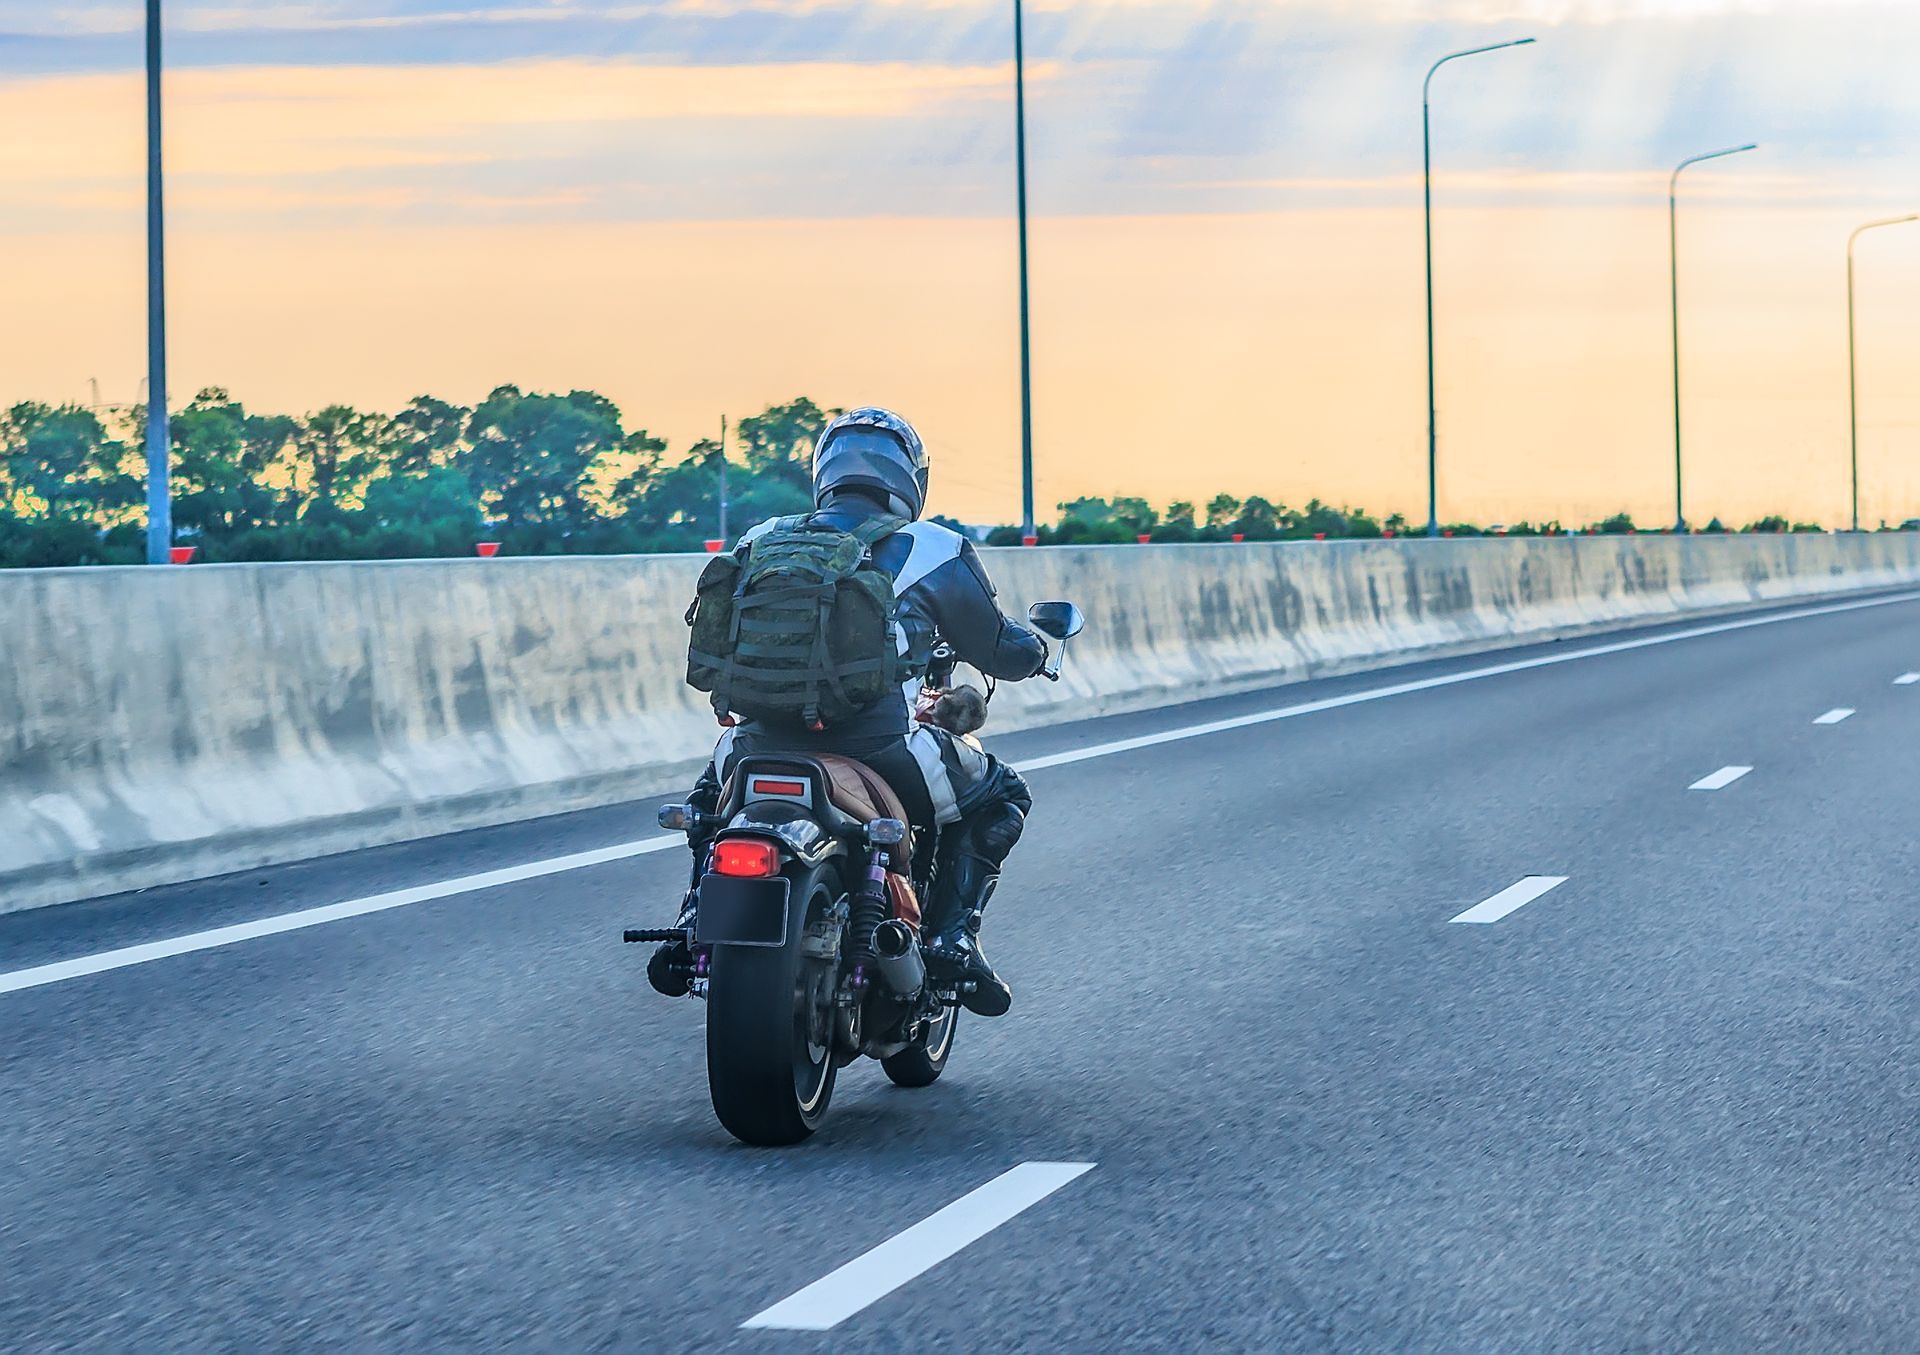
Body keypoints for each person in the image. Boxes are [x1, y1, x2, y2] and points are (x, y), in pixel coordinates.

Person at [650, 407, 1048, 1015]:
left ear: (825, 471)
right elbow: (1000, 649)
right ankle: (950, 937)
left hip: (755, 745)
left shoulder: (762, 538)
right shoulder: (935, 548)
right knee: (1002, 796)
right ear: (911, 477)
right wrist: (1039, 647)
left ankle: (693, 911)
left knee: (709, 805)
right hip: (882, 750)